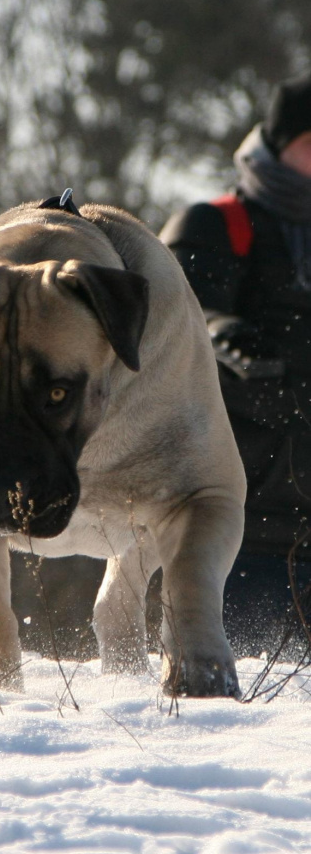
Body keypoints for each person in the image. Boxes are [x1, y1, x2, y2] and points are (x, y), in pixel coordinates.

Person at [160, 73, 311, 657]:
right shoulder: (217, 223)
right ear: (277, 145)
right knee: (238, 713)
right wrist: (226, 338)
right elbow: (177, 318)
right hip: (239, 531)